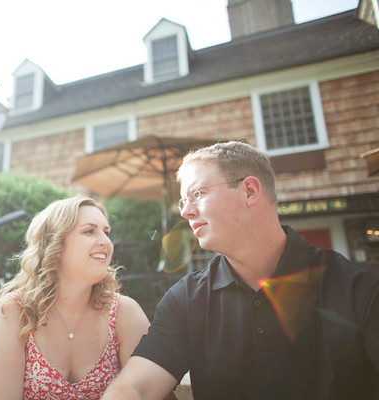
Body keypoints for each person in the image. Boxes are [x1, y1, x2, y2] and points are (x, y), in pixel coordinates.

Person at [102, 141, 379, 400]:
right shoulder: (185, 300)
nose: (185, 212)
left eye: (197, 194)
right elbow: (135, 386)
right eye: (183, 201)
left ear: (249, 191)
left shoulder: (362, 289)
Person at [0, 196, 151, 400]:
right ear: (55, 243)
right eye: (89, 231)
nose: (106, 242)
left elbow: (149, 392)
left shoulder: (124, 312)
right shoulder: (12, 312)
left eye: (106, 232)